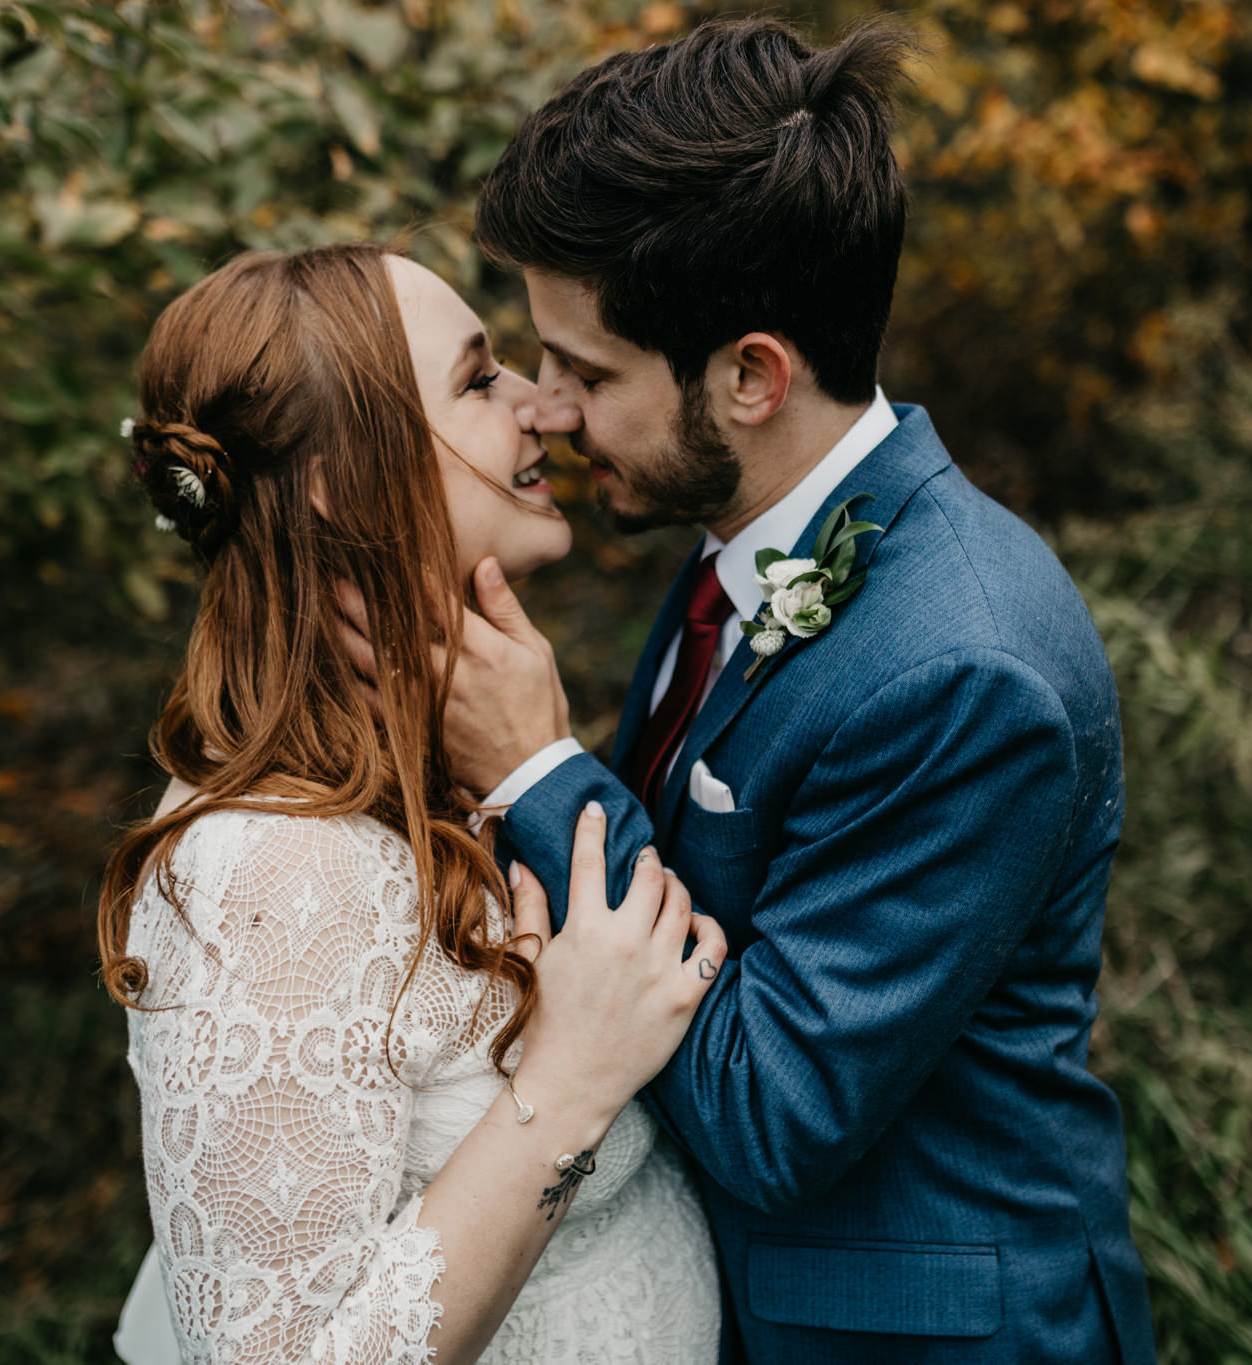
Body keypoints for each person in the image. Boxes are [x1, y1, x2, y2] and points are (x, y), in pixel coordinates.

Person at [351, 18, 1159, 1362]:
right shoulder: (742, 542)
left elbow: (773, 1112)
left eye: (585, 372)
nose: (545, 410)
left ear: (749, 376)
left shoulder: (966, 670)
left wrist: (543, 775)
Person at [100, 243, 726, 1364]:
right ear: (345, 479)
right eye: (480, 381)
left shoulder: (461, 764)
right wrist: (570, 1080)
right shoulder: (269, 867)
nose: (543, 406)